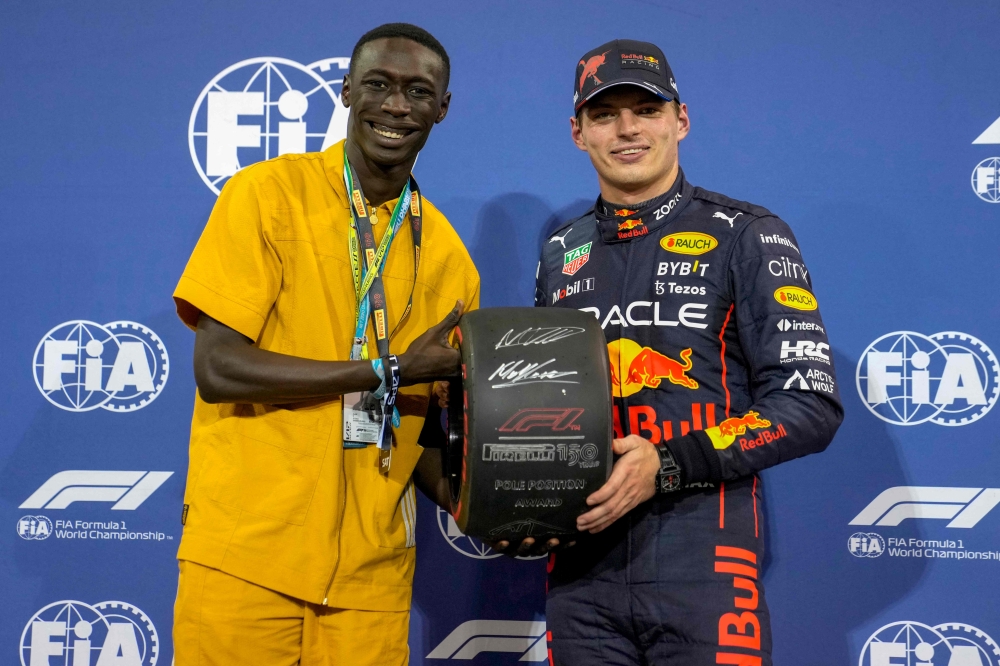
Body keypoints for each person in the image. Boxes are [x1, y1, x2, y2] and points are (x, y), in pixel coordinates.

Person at [170, 23, 479, 666]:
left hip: (371, 580)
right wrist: (383, 368)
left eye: (419, 92)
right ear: (345, 91)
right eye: (379, 85)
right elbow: (218, 368)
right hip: (247, 558)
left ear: (442, 110)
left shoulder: (450, 259)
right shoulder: (264, 195)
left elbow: (419, 431)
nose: (397, 106)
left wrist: (483, 508)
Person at [531, 39, 843, 665]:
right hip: (581, 570)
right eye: (604, 113)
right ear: (577, 133)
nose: (626, 129)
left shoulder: (750, 234)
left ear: (681, 119)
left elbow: (810, 404)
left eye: (645, 109)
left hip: (705, 563)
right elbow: (543, 404)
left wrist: (667, 463)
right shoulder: (560, 252)